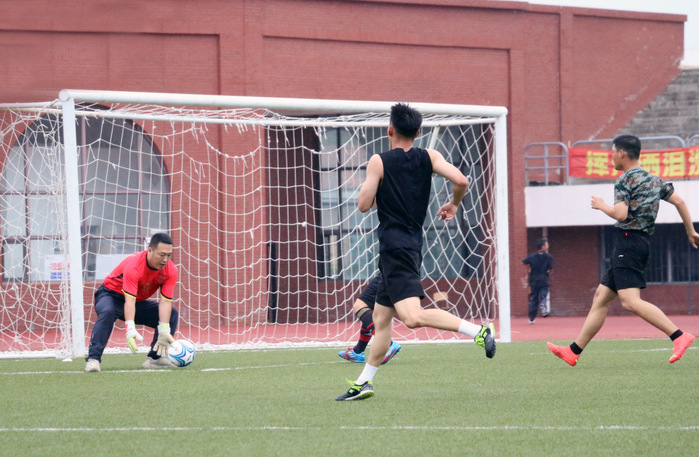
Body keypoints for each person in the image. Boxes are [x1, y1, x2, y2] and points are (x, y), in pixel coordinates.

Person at [336, 103, 495, 401]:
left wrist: (375, 182)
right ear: (418, 132)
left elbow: (363, 205)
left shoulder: (379, 161)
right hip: (408, 246)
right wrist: (454, 204)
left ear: (390, 129)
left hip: (396, 248)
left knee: (412, 317)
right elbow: (461, 180)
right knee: (381, 319)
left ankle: (478, 331)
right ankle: (364, 382)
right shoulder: (430, 156)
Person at [547, 135, 697, 367]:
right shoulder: (654, 179)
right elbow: (680, 202)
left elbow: (620, 214)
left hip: (628, 243)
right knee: (601, 298)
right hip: (640, 243)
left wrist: (601, 205)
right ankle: (573, 351)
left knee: (630, 301)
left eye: (612, 152)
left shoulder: (624, 179)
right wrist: (691, 231)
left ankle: (679, 336)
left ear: (622, 153)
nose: (611, 156)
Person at [85, 232, 179, 372]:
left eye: (169, 255)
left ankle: (155, 359)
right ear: (150, 250)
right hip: (110, 295)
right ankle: (93, 359)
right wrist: (130, 328)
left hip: (135, 301)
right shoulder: (134, 265)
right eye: (161, 255)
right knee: (108, 311)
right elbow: (130, 300)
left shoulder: (171, 270)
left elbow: (165, 302)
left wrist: (164, 331)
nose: (165, 259)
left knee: (172, 314)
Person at [338, 272, 401, 365]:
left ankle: (388, 344)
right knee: (371, 310)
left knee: (360, 306)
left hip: (391, 273)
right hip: (403, 277)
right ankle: (358, 351)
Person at [522, 238, 554, 323]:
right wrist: (549, 273)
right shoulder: (548, 257)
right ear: (543, 246)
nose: (548, 246)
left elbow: (524, 262)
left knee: (534, 299)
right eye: (546, 245)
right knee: (544, 292)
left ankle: (531, 318)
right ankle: (543, 303)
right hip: (544, 279)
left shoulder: (532, 256)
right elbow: (551, 268)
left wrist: (529, 268)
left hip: (533, 280)